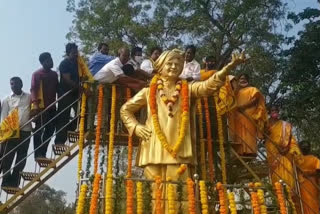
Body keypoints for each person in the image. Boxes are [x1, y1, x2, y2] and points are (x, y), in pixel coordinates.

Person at [120, 49, 246, 213]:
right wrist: (136, 127)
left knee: (182, 196)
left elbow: (208, 86)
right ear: (160, 66)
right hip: (153, 149)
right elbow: (125, 110)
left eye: (178, 64)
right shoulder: (148, 91)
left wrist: (228, 68)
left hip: (180, 151)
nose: (173, 67)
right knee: (153, 196)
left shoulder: (188, 89)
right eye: (169, 64)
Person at [0, 77, 32, 188]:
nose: (13, 86)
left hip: (25, 131)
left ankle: (14, 183)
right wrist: (5, 135)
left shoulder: (29, 97)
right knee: (7, 159)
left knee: (21, 159)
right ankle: (6, 182)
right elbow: (4, 118)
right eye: (11, 84)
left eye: (14, 83)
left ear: (21, 84)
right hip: (11, 133)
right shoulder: (6, 100)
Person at [229, 73, 267, 156]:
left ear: (248, 81)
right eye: (241, 79)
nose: (243, 80)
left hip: (249, 114)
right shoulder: (236, 92)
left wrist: (243, 106)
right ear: (238, 81)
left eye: (245, 78)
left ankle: (250, 151)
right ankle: (240, 151)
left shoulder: (252, 89)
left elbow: (256, 99)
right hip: (238, 116)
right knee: (239, 134)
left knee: (248, 133)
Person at [265, 105, 302, 190]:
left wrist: (287, 149)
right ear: (269, 113)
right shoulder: (266, 124)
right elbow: (262, 135)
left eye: (276, 110)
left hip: (285, 154)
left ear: (278, 112)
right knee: (276, 179)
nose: (274, 112)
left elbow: (290, 139)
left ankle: (290, 196)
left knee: (288, 176)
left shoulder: (285, 125)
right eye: (272, 110)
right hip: (272, 154)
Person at [30, 52, 59, 159]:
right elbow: (33, 90)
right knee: (39, 131)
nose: (51, 62)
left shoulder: (54, 74)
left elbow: (57, 88)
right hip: (41, 108)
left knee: (50, 130)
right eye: (49, 61)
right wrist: (35, 105)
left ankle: (43, 152)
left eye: (51, 60)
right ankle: (38, 155)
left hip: (52, 107)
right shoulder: (37, 74)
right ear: (43, 62)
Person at [55, 43, 80, 145]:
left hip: (76, 94)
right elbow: (67, 80)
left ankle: (69, 130)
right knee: (63, 118)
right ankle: (59, 141)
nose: (76, 55)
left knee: (82, 114)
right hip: (65, 94)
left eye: (76, 52)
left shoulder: (78, 64)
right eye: (74, 53)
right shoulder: (64, 64)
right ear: (68, 53)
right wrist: (81, 88)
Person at [298, 140, 320, 214]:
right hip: (308, 183)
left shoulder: (298, 160)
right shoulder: (314, 159)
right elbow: (318, 171)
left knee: (307, 203)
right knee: (309, 202)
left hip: (304, 183)